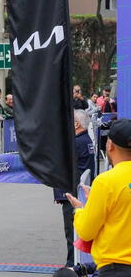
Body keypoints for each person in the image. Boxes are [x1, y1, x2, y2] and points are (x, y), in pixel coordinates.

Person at [66, 118, 131, 277]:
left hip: (116, 267)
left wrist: (80, 209)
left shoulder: (105, 182)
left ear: (110, 145)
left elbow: (87, 231)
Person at [53, 110, 96, 267]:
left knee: (72, 233)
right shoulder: (86, 140)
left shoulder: (77, 143)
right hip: (78, 191)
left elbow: (61, 166)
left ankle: (72, 264)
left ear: (76, 124)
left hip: (73, 194)